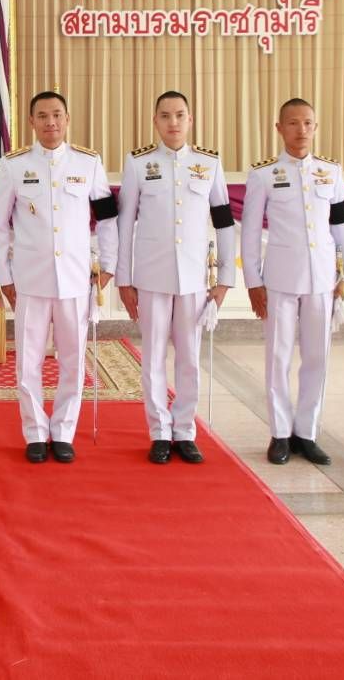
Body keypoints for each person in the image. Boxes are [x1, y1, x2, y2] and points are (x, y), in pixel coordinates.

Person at [0, 91, 118, 464]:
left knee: (73, 360)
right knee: (28, 361)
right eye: (43, 116)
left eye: (57, 115)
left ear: (67, 118)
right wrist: (4, 278)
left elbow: (106, 218)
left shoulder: (88, 162)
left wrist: (108, 265)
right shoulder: (14, 165)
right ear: (31, 122)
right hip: (30, 280)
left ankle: (63, 431)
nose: (51, 122)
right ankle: (34, 432)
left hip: (76, 279)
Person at [116, 92, 234, 465]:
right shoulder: (139, 163)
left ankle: (184, 430)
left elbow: (224, 222)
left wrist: (225, 278)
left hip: (195, 279)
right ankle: (159, 432)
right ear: (155, 121)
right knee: (152, 358)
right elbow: (124, 224)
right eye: (165, 116)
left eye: (180, 115)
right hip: (151, 277)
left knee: (189, 358)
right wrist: (124, 279)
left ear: (190, 119)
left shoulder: (208, 163)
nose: (173, 122)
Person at [241, 98, 344, 467]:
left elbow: (340, 224)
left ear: (315, 127)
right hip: (280, 279)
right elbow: (249, 230)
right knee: (278, 357)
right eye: (292, 123)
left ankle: (306, 432)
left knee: (317, 357)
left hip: (322, 279)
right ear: (279, 128)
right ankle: (280, 432)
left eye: (307, 123)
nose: (301, 130)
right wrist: (253, 281)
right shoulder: (264, 174)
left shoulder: (330, 172)